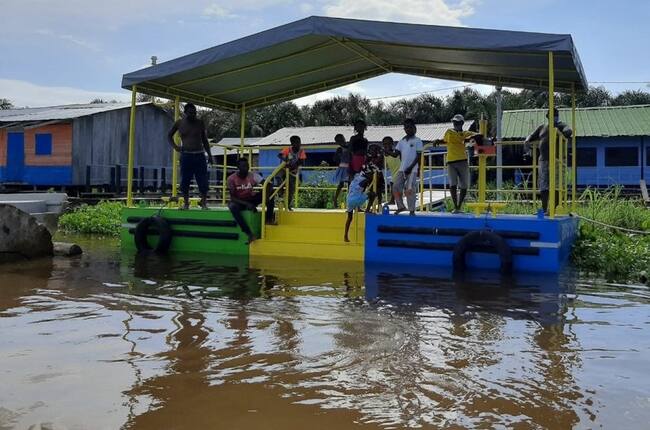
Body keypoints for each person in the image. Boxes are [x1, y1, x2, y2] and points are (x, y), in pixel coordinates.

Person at [524, 107, 572, 214]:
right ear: (548, 117)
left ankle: (554, 209)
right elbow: (532, 135)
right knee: (543, 185)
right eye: (552, 115)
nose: (554, 117)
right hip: (543, 160)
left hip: (557, 160)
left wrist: (562, 132)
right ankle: (545, 209)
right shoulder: (542, 127)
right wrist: (527, 140)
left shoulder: (561, 125)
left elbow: (569, 131)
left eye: (556, 115)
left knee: (557, 184)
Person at [167, 103, 214, 210]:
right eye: (190, 113)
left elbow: (205, 140)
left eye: (194, 113)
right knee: (185, 180)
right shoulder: (179, 123)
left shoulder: (200, 123)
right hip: (186, 155)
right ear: (185, 113)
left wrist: (210, 155)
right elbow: (169, 135)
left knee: (202, 179)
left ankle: (203, 203)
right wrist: (175, 146)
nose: (193, 115)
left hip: (199, 155)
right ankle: (186, 203)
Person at [227, 158, 275, 244]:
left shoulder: (253, 176)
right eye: (243, 166)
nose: (246, 168)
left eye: (247, 166)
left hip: (251, 198)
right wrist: (247, 204)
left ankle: (268, 219)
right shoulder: (231, 179)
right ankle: (249, 234)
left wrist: (266, 197)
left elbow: (268, 185)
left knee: (271, 193)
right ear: (238, 167)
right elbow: (233, 197)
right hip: (239, 201)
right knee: (232, 206)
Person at [435, 114, 475, 213]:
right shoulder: (449, 132)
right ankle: (455, 206)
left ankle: (459, 206)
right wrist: (438, 141)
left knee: (464, 185)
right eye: (454, 122)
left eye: (458, 122)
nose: (456, 124)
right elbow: (447, 139)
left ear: (462, 123)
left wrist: (470, 138)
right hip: (451, 161)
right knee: (452, 184)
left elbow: (477, 136)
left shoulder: (466, 133)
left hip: (462, 161)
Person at [393, 118, 423, 216]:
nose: (409, 129)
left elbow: (418, 157)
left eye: (410, 127)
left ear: (414, 128)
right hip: (402, 169)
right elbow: (395, 154)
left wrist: (411, 168)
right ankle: (401, 206)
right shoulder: (401, 141)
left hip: (412, 169)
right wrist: (386, 150)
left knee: (409, 189)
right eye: (406, 127)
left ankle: (412, 210)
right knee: (396, 186)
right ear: (404, 129)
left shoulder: (418, 141)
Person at [277, 135, 306, 210]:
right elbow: (279, 155)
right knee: (278, 176)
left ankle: (288, 205)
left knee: (291, 190)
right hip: (284, 169)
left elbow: (302, 162)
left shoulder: (301, 151)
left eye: (299, 142)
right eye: (297, 142)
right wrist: (285, 159)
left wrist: (293, 165)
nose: (299, 144)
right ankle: (280, 193)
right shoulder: (288, 149)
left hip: (292, 171)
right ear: (292, 143)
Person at [344, 169, 369, 242]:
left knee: (349, 218)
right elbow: (363, 190)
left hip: (349, 199)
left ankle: (345, 235)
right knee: (372, 194)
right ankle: (367, 210)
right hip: (355, 199)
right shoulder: (365, 180)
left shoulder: (354, 179)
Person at [332, 133, 351, 208]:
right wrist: (339, 156)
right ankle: (335, 199)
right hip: (343, 167)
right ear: (337, 142)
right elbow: (335, 159)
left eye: (341, 139)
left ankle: (350, 202)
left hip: (349, 167)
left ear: (344, 138)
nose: (341, 141)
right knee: (341, 184)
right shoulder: (339, 149)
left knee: (350, 185)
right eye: (338, 141)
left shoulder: (349, 146)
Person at [365, 142, 385, 212]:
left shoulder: (379, 158)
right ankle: (368, 208)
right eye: (370, 150)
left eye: (373, 150)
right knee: (372, 193)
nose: (372, 151)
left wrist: (381, 153)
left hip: (378, 177)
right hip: (371, 177)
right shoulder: (369, 158)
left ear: (377, 151)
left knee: (379, 193)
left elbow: (377, 163)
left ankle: (379, 207)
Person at [383, 136, 400, 205]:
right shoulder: (384, 155)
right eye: (385, 144)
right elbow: (386, 165)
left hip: (400, 170)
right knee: (392, 184)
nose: (387, 145)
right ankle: (393, 200)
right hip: (394, 172)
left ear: (392, 144)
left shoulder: (396, 152)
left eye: (389, 144)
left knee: (393, 184)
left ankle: (393, 200)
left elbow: (395, 156)